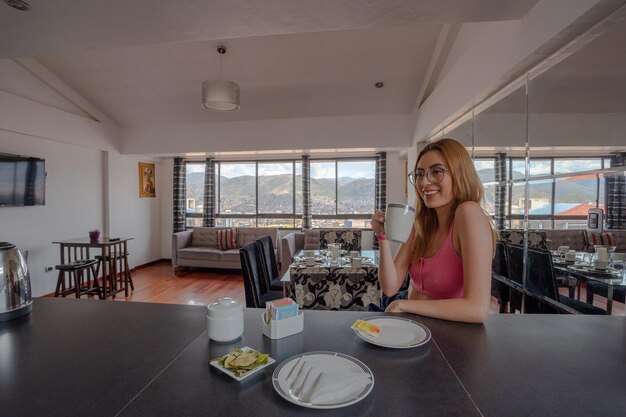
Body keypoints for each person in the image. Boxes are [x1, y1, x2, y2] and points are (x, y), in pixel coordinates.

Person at [371, 138, 495, 323]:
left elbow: (476, 309)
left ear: (459, 173)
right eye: (420, 174)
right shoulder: (422, 223)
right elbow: (390, 287)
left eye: (436, 172)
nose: (424, 182)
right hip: (415, 327)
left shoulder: (468, 213)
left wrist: (403, 305)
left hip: (450, 334)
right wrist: (382, 237)